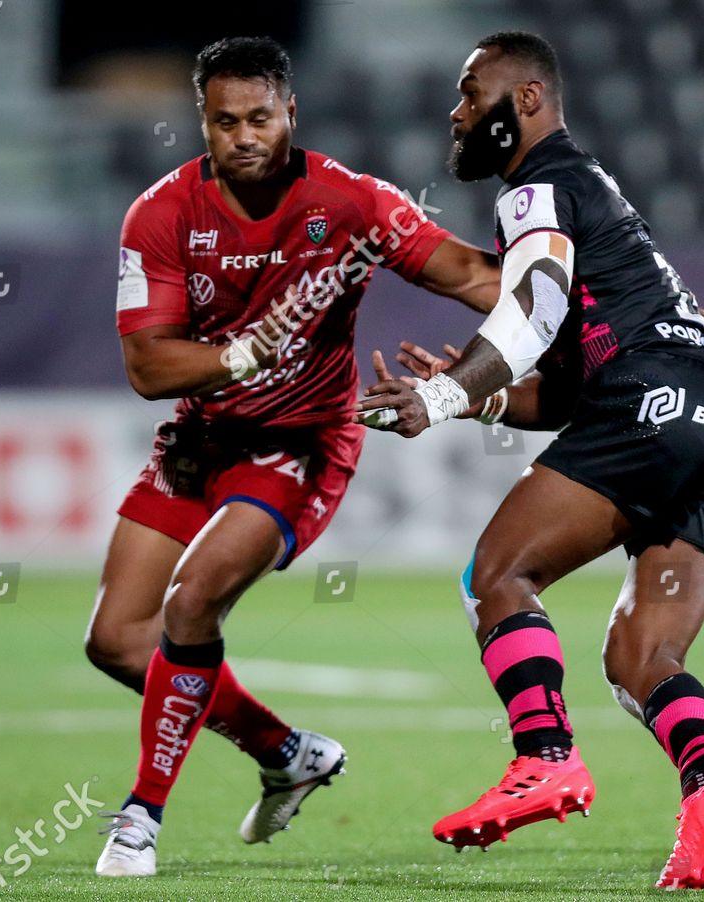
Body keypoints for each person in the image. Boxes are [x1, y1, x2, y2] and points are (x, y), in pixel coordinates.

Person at [356, 32, 704, 890]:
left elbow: (535, 308)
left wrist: (436, 399)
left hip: (649, 405)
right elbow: (575, 381)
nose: (457, 112)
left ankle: (544, 757)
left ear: (529, 100)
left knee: (496, 576)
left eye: (472, 93)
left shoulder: (540, 184)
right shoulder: (597, 198)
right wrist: (476, 393)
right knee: (640, 660)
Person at [87, 36, 500, 877]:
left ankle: (140, 819)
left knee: (191, 601)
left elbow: (466, 272)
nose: (244, 135)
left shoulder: (349, 203)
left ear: (291, 114)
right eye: (224, 120)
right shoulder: (159, 215)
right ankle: (288, 753)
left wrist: (560, 302)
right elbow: (146, 366)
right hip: (200, 440)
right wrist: (241, 356)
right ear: (201, 122)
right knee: (117, 642)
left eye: (261, 117)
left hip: (300, 443)